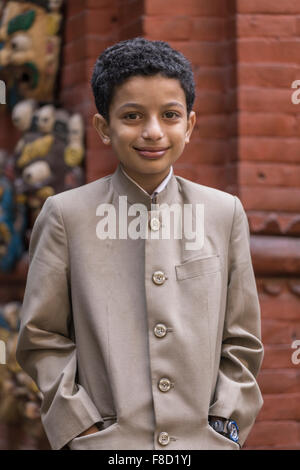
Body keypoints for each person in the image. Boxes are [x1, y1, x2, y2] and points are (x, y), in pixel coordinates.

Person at [16, 37, 264, 450]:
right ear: (103, 127)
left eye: (170, 115)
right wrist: (80, 429)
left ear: (189, 123)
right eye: (132, 116)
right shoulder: (67, 216)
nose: (153, 132)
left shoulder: (223, 213)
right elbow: (42, 336)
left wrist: (227, 425)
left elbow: (241, 339)